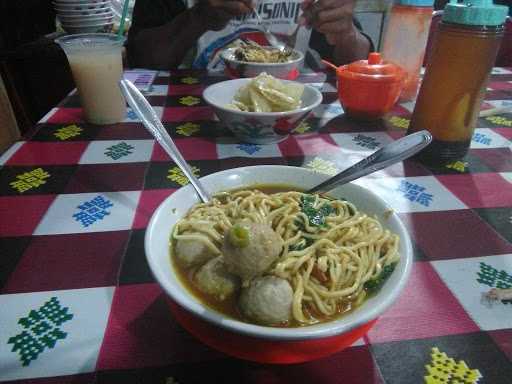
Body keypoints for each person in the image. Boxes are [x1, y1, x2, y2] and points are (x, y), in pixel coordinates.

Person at [127, 0, 372, 70]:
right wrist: (197, 18)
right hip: (188, 117)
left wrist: (345, 31)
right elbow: (142, 60)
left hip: (294, 116)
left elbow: (357, 62)